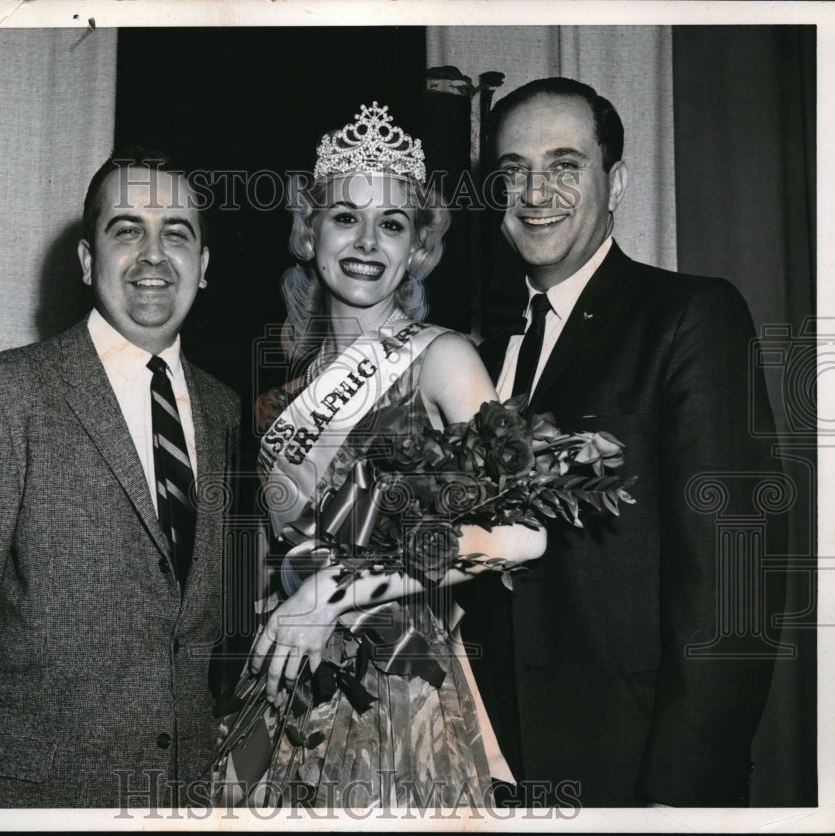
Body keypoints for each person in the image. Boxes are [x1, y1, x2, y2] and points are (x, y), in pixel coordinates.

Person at [0, 147, 241, 807]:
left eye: (178, 234)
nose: (154, 254)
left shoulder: (225, 412)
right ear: (86, 261)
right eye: (127, 229)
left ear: (205, 267)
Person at [465, 77, 786, 806]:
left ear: (618, 182)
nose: (535, 191)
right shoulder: (483, 359)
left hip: (637, 771)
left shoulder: (689, 318)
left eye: (564, 165)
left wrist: (677, 799)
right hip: (496, 774)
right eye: (513, 170)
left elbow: (734, 587)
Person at [220, 103, 547, 809]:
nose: (368, 241)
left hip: (402, 690)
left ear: (417, 248)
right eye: (345, 217)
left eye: (392, 224)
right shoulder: (282, 403)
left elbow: (523, 532)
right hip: (290, 685)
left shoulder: (444, 358)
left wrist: (334, 593)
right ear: (310, 233)